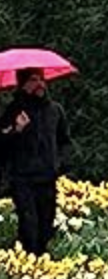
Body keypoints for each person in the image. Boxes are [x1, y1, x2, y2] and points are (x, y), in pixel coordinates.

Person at [0, 68, 71, 256]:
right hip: (22, 179)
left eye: (42, 79)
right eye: (33, 80)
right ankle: (28, 263)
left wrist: (59, 166)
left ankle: (43, 267)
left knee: (46, 227)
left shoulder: (55, 110)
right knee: (29, 226)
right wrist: (16, 130)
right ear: (23, 84)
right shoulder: (13, 111)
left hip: (47, 178)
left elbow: (64, 142)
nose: (40, 84)